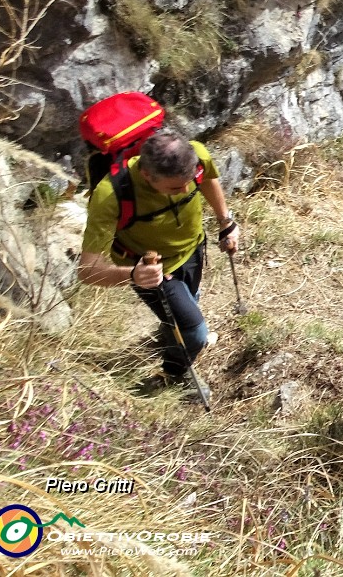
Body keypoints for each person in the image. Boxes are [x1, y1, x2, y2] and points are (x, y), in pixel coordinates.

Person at [77, 129, 240, 400]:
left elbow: (208, 179)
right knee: (196, 332)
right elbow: (87, 270)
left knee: (190, 303)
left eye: (189, 181)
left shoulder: (196, 154)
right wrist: (133, 274)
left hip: (193, 249)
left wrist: (226, 222)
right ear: (147, 176)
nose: (187, 190)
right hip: (152, 270)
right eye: (176, 188)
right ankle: (173, 374)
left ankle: (170, 331)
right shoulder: (111, 195)